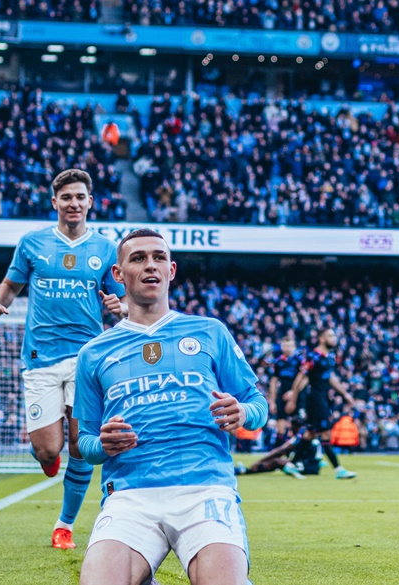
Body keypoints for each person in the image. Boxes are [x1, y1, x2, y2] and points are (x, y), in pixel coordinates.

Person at [73, 229, 268, 585]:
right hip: (130, 495)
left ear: (171, 270)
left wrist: (243, 413)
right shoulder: (94, 353)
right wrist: (102, 445)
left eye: (159, 258)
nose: (151, 265)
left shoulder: (210, 331)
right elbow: (84, 443)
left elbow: (258, 404)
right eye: (138, 258)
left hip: (204, 488)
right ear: (118, 274)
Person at [0, 169, 125, 550]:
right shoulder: (33, 243)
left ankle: (64, 524)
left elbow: (124, 302)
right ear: (55, 203)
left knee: (80, 445)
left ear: (90, 202)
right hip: (40, 357)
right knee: (48, 450)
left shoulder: (106, 248)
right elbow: (12, 284)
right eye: (67, 198)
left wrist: (119, 306)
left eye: (80, 197)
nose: (74, 204)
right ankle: (47, 459)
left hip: (86, 359)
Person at [284, 327, 358, 479]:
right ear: (322, 339)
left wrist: (344, 394)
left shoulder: (328, 357)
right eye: (330, 335)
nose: (334, 338)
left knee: (310, 433)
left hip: (322, 398)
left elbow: (330, 378)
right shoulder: (314, 356)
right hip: (316, 399)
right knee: (325, 433)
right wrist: (293, 397)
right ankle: (338, 469)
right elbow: (301, 376)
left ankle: (291, 464)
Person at [265, 332, 302, 449]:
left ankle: (300, 455)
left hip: (298, 396)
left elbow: (303, 379)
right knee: (280, 426)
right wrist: (272, 400)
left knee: (299, 426)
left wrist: (293, 393)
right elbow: (273, 381)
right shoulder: (278, 362)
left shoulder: (299, 360)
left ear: (294, 347)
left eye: (290, 346)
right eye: (285, 346)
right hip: (282, 395)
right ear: (281, 347)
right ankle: (278, 456)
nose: (287, 348)